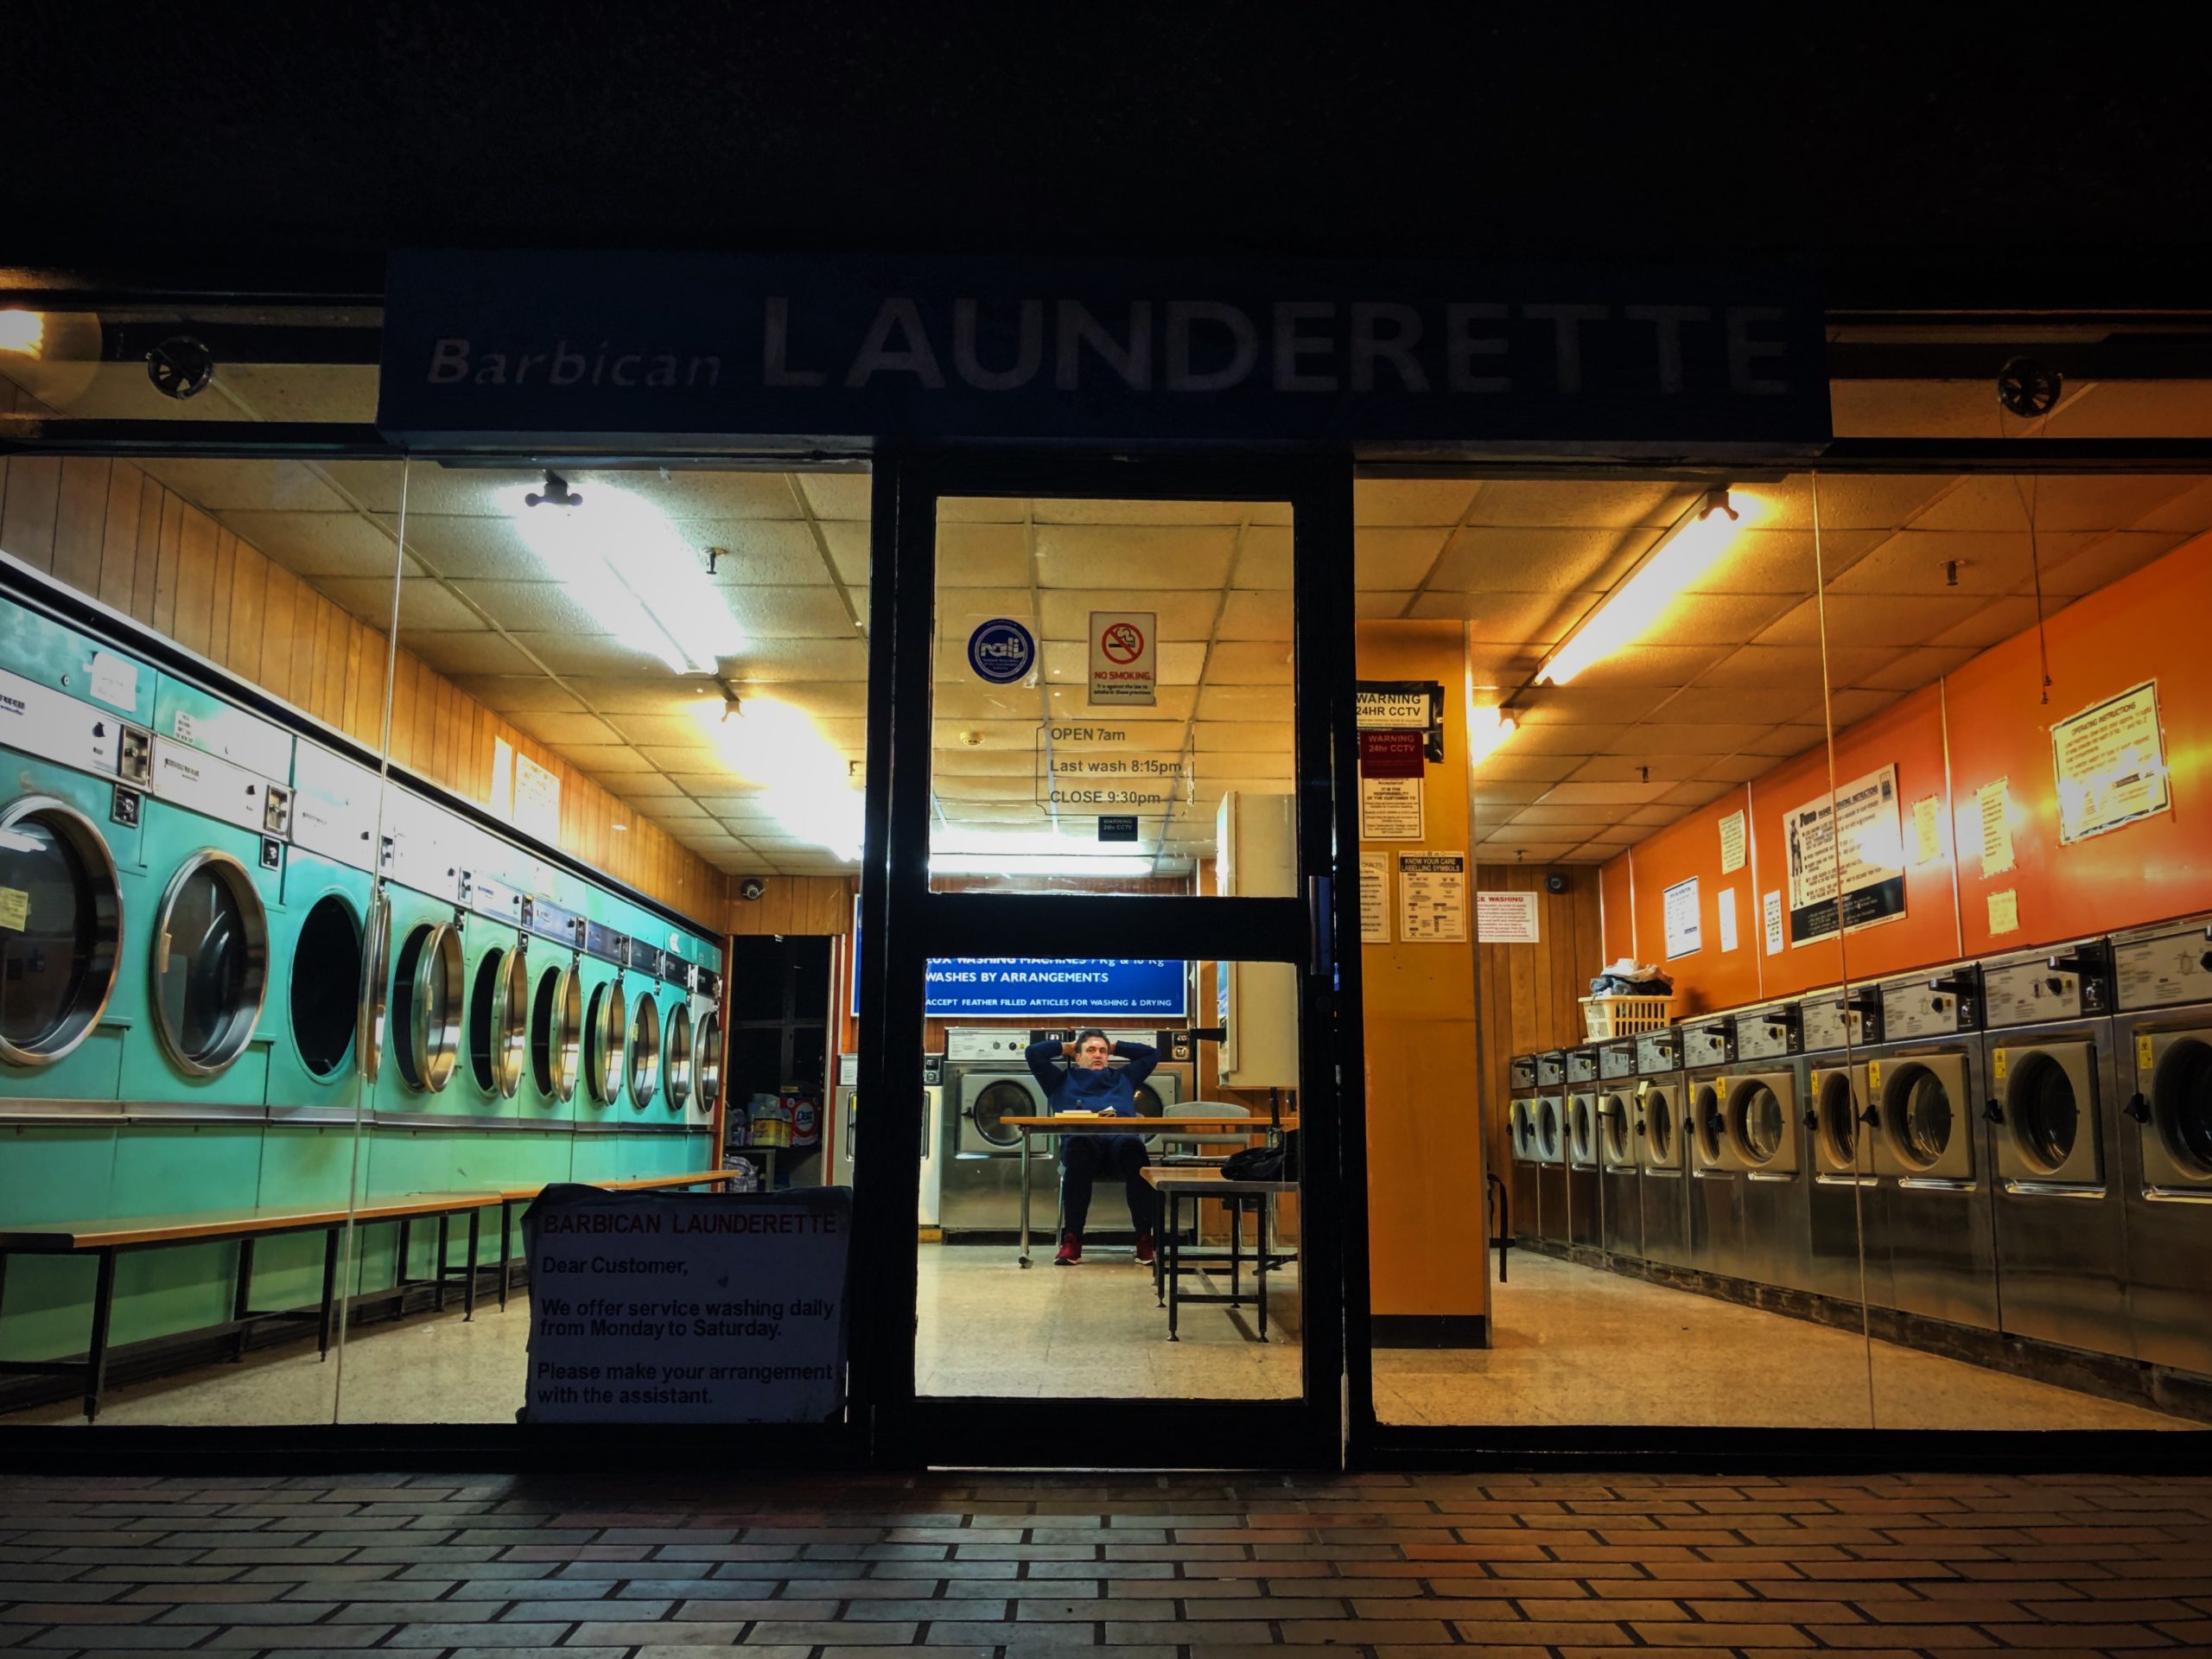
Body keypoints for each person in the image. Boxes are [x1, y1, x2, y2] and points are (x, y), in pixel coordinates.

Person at [1024, 1029, 1158, 1267]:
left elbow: (1152, 1054)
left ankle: (1144, 1238)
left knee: (1134, 1148)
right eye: (1091, 1050)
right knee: (1079, 1145)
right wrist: (1068, 1047)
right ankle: (1072, 1240)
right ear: (1077, 1057)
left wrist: (1114, 1046)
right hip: (1083, 1148)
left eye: (1103, 1051)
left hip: (1120, 1145)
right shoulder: (1059, 1081)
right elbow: (1033, 1053)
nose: (1098, 1055)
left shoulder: (1124, 1077)